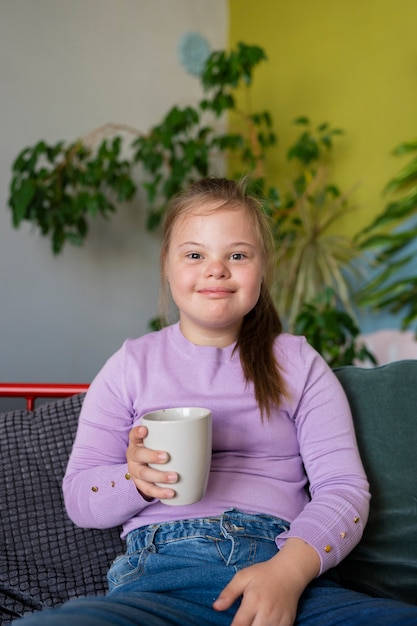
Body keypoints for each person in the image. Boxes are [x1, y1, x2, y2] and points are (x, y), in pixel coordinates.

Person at [16, 177, 417, 626]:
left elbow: (344, 490)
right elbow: (79, 498)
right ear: (167, 267)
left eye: (238, 255)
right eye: (194, 254)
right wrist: (135, 479)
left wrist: (286, 574)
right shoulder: (130, 365)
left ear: (261, 270)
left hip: (281, 571)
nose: (216, 269)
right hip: (158, 582)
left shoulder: (299, 363)